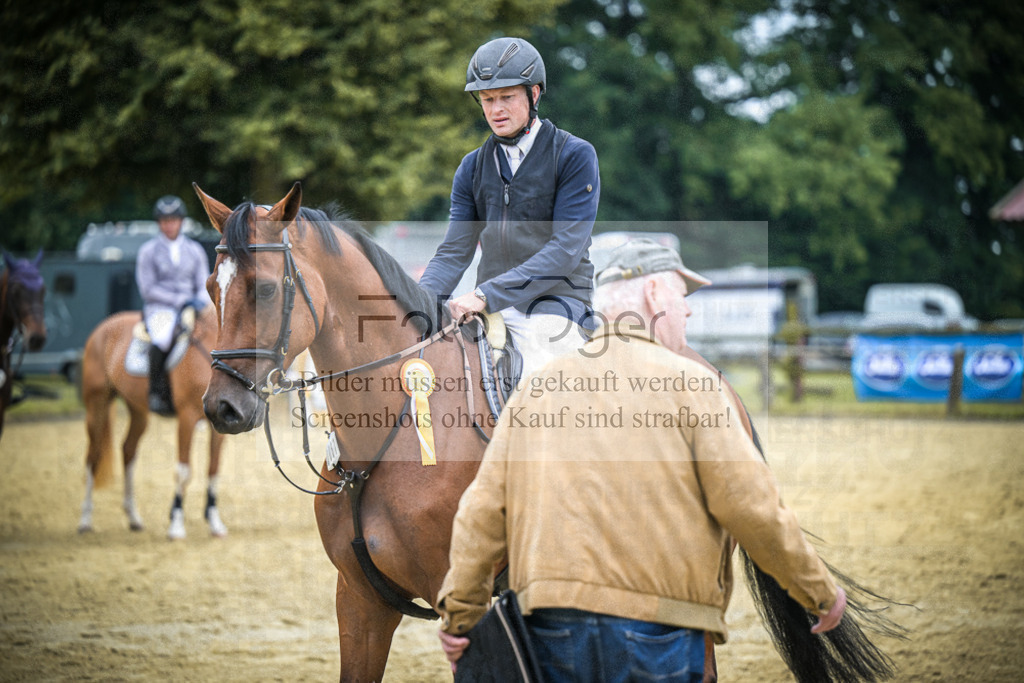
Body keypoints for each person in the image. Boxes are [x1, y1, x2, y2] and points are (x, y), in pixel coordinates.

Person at [436, 238, 846, 681]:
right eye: (680, 296)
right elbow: (750, 504)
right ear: (653, 294)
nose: (687, 312)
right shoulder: (694, 385)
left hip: (551, 628)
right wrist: (818, 591)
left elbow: (482, 512)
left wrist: (460, 616)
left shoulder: (538, 388)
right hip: (660, 630)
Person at [418, 36, 601, 378]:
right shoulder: (471, 167)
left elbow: (565, 251)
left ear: (533, 95)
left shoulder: (574, 155)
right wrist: (417, 303)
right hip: (490, 308)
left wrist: (485, 294)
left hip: (556, 304)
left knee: (546, 374)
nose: (496, 110)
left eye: (506, 97)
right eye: (487, 99)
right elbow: (453, 253)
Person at [135, 195, 211, 417]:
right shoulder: (148, 251)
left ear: (181, 221)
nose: (169, 225)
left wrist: (201, 301)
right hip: (161, 308)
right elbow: (148, 289)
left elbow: (202, 282)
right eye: (165, 221)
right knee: (163, 337)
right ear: (159, 223)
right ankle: (157, 392)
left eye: (173, 220)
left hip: (193, 306)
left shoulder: (194, 250)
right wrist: (180, 300)